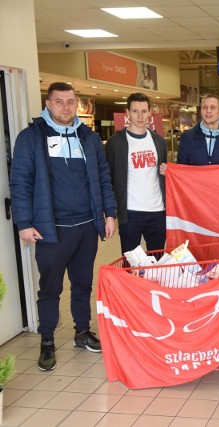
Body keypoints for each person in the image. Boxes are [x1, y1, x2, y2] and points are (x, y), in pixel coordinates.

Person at [9, 82, 117, 371]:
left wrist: (109, 213)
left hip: (86, 226)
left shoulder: (89, 137)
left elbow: (103, 178)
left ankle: (82, 331)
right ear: (48, 104)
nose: (66, 107)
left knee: (82, 283)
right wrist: (23, 223)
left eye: (71, 102)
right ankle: (46, 341)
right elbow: (20, 183)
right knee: (50, 288)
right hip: (50, 229)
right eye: (59, 102)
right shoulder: (31, 138)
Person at [105, 92, 168, 255]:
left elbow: (163, 173)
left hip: (157, 211)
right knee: (131, 262)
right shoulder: (116, 143)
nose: (140, 116)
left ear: (150, 113)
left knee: (158, 262)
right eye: (135, 111)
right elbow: (108, 179)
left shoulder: (159, 141)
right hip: (130, 212)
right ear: (127, 113)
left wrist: (168, 172)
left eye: (144, 111)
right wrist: (109, 212)